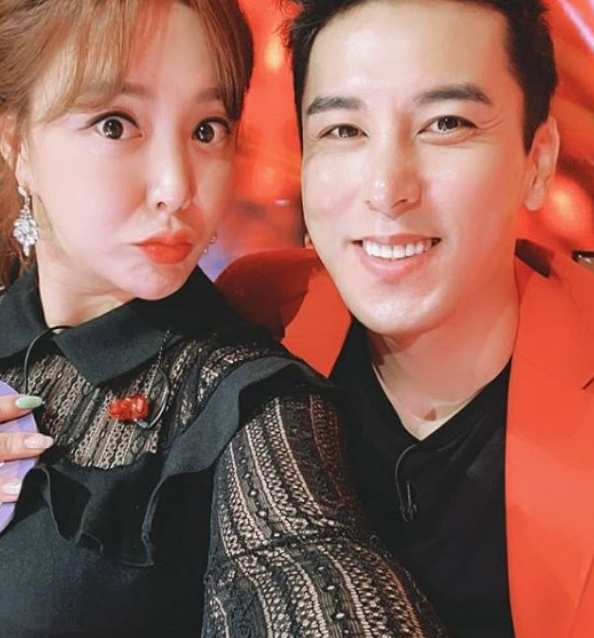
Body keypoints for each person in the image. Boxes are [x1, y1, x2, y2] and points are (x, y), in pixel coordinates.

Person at [0, 1, 449, 636]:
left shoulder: (247, 399)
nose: (178, 188)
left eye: (207, 130)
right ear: (17, 143)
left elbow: (308, 560)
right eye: (115, 124)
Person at [218, 0, 594, 637]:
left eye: (446, 123)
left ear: (537, 160)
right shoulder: (252, 321)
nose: (388, 188)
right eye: (343, 130)